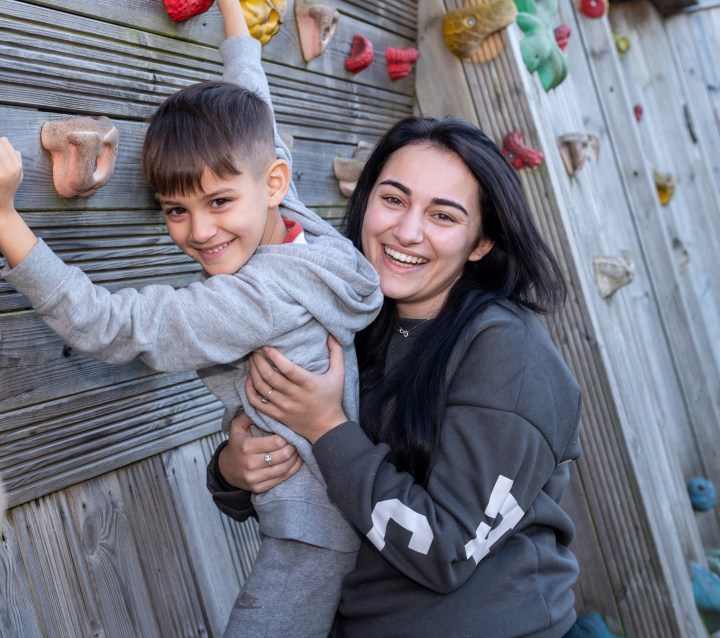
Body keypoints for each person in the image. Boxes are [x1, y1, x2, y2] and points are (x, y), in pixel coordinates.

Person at [0, 1, 382, 635]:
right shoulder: (310, 238)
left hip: (309, 538)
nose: (200, 231)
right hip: (343, 510)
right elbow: (254, 104)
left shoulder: (249, 300)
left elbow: (109, 325)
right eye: (175, 210)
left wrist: (1, 218)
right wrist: (237, 22)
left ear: (272, 181)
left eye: (217, 202)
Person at [210, 116, 583, 637]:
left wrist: (326, 429)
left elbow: (446, 551)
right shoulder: (349, 317)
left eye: (443, 216)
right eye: (393, 199)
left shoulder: (506, 352)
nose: (407, 231)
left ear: (481, 243)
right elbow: (307, 488)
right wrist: (235, 468)